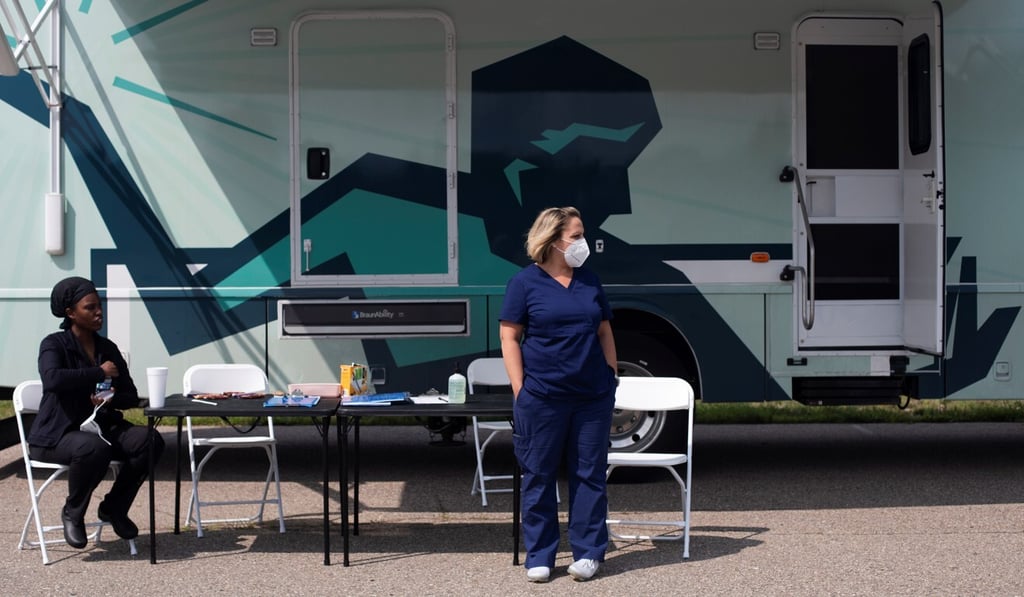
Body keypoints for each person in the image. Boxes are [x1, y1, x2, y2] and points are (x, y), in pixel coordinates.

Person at [499, 207, 618, 582]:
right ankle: (541, 555)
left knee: (590, 475)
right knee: (538, 475)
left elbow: (604, 331)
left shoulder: (589, 281)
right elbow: (509, 337)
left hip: (592, 397)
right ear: (553, 241)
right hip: (542, 397)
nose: (583, 242)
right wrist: (521, 390)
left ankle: (587, 553)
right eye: (577, 235)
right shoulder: (524, 283)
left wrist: (611, 375)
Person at [30, 276, 165, 548]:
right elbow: (53, 379)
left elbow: (130, 395)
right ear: (71, 313)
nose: (98, 312)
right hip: (58, 435)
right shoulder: (54, 344)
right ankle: (73, 512)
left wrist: (110, 399)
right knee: (93, 448)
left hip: (102, 427)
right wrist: (98, 372)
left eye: (99, 305)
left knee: (150, 440)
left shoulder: (107, 348)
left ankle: (114, 507)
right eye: (89, 307)